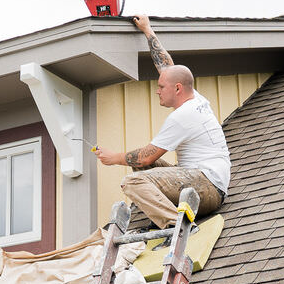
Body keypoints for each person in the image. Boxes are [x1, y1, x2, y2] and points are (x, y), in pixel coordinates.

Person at [95, 14, 230, 228]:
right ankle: (171, 217)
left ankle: (175, 225)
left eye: (161, 87)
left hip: (208, 188)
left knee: (133, 181)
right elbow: (166, 66)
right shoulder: (194, 97)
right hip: (206, 182)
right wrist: (148, 30)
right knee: (142, 170)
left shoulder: (182, 116)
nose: (157, 91)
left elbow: (146, 157)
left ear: (177, 88)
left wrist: (114, 158)